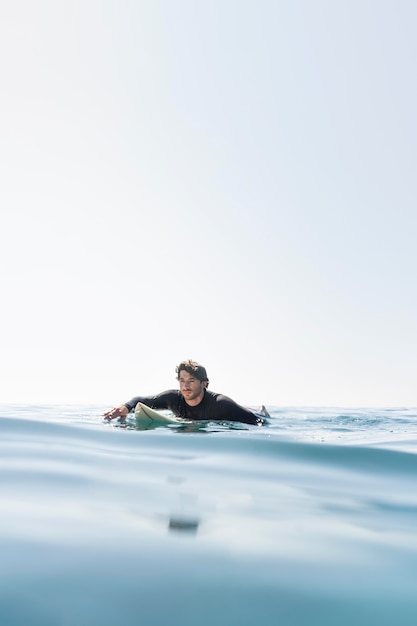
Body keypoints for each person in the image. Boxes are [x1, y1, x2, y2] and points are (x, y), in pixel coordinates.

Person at [103, 359, 269, 426]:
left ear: (204, 384)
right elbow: (142, 400)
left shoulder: (221, 404)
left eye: (191, 381)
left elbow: (258, 423)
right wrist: (126, 407)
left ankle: (259, 408)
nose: (185, 386)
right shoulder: (173, 399)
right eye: (182, 380)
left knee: (254, 413)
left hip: (234, 415)